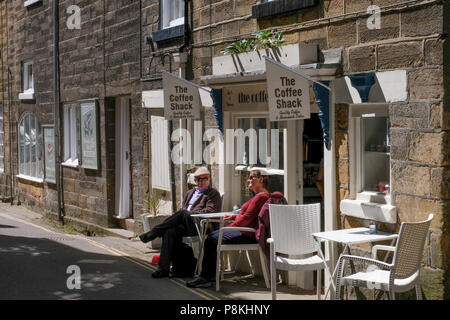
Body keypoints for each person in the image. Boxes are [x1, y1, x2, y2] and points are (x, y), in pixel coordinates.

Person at [186, 169, 269, 288]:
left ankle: (205, 278)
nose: (248, 180)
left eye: (252, 177)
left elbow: (246, 219)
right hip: (245, 231)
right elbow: (248, 216)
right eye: (249, 177)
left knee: (211, 239)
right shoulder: (259, 196)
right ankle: (211, 275)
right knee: (213, 237)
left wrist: (228, 227)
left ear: (261, 179)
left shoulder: (260, 197)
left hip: (247, 234)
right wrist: (234, 216)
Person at [139, 167, 222, 278]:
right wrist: (185, 214)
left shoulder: (213, 193)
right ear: (195, 180)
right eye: (198, 179)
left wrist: (190, 213)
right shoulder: (189, 193)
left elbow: (211, 210)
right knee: (169, 232)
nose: (201, 181)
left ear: (209, 179)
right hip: (186, 225)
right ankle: (163, 269)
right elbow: (183, 210)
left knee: (183, 213)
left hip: (200, 225)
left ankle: (154, 232)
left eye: (204, 179)